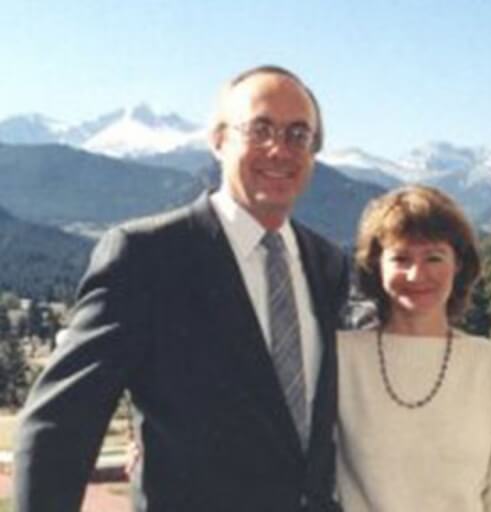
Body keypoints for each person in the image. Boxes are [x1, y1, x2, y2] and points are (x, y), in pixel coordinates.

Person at [13, 65, 349, 512]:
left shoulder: (327, 264)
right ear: (218, 140)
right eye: (260, 128)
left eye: (297, 135)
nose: (279, 149)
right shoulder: (147, 256)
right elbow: (59, 423)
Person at [336, 185, 491, 511]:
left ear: (458, 264)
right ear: (377, 265)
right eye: (401, 258)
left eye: (433, 257)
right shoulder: (340, 358)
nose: (417, 274)